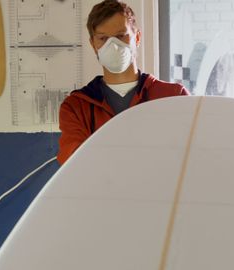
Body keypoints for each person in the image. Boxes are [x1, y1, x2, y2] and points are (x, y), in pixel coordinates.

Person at [56, 0, 189, 164]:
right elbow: (75, 166)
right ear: (93, 44)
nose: (113, 46)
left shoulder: (174, 96)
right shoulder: (76, 107)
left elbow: (189, 156)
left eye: (120, 36)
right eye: (103, 38)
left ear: (137, 37)